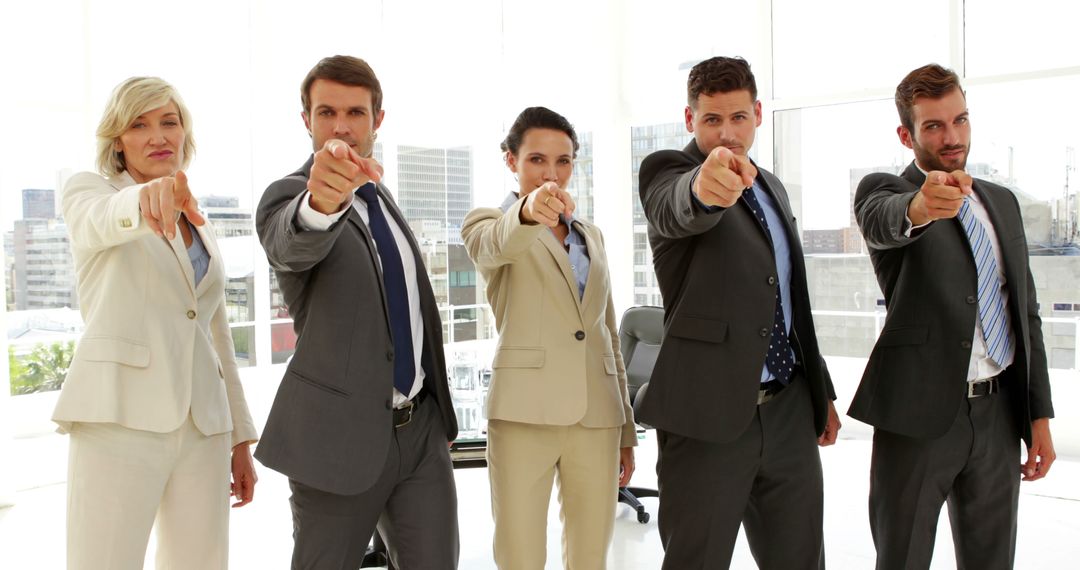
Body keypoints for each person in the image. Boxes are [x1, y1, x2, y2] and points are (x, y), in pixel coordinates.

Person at [254, 55, 459, 569]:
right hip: (337, 439)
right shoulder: (290, 196)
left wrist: (436, 415)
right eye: (325, 112)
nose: (340, 126)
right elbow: (291, 244)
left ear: (377, 121)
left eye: (355, 113)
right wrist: (322, 203)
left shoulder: (383, 196)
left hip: (419, 431)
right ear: (306, 119)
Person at [637, 56, 841, 569]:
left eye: (738, 118)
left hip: (790, 409)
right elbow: (677, 205)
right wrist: (704, 190)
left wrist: (821, 390)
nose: (727, 133)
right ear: (690, 121)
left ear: (758, 114)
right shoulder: (668, 172)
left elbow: (789, 298)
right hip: (706, 418)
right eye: (711, 120)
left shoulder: (771, 185)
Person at [850, 63, 1056, 570]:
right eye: (934, 126)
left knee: (993, 560)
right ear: (907, 134)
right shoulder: (886, 191)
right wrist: (922, 206)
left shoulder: (1001, 203)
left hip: (998, 416)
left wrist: (1039, 416)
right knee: (902, 558)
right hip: (917, 419)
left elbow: (1024, 313)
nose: (952, 137)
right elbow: (886, 222)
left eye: (959, 120)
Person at [54, 76, 258, 570]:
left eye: (170, 122)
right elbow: (98, 222)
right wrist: (146, 200)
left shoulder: (197, 218)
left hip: (202, 424)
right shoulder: (92, 192)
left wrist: (238, 437)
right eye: (139, 125)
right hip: (118, 415)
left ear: (186, 132)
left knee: (201, 562)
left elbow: (213, 332)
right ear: (117, 141)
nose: (159, 136)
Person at [461, 107, 638, 569]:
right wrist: (526, 211)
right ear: (510, 161)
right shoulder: (488, 223)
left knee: (591, 556)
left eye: (563, 161)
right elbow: (497, 245)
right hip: (524, 416)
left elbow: (607, 335)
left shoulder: (591, 236)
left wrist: (625, 427)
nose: (551, 173)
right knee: (520, 554)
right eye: (537, 160)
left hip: (597, 417)